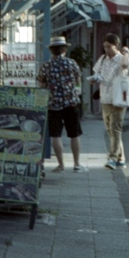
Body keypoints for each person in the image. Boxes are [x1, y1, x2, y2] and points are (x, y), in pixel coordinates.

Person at [37, 36, 86, 172]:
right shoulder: (72, 63)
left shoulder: (46, 66)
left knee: (56, 135)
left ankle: (61, 165)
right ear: (64, 49)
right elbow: (78, 81)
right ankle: (76, 164)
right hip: (70, 103)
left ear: (51, 51)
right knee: (74, 134)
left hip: (53, 104)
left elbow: (41, 84)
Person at [90, 33, 129, 169]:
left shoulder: (123, 59)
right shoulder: (103, 59)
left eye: (109, 47)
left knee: (115, 128)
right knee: (110, 129)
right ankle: (121, 158)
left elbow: (124, 68)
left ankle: (112, 158)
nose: (107, 49)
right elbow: (97, 73)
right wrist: (94, 79)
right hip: (105, 98)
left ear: (116, 46)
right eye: (105, 47)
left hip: (118, 98)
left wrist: (126, 53)